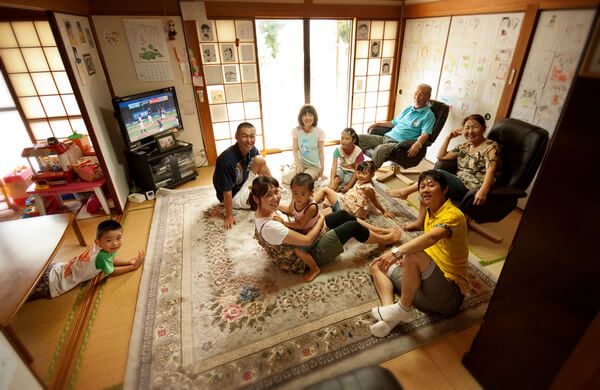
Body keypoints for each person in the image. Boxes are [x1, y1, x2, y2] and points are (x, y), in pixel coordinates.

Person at [369, 170, 469, 337]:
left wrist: (397, 253)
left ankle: (402, 308)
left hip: (449, 295)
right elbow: (429, 245)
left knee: (411, 254)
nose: (425, 190)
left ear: (444, 190)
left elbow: (431, 238)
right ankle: (390, 317)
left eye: (431, 185)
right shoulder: (431, 210)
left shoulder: (454, 215)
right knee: (377, 265)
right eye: (422, 186)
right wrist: (409, 267)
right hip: (424, 291)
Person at [250, 176, 402, 282]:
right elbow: (307, 240)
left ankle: (379, 231)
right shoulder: (272, 227)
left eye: (276, 191)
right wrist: (320, 220)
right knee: (352, 227)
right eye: (269, 195)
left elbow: (289, 210)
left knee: (342, 214)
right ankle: (386, 239)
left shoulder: (264, 211)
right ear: (257, 199)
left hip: (301, 238)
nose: (276, 198)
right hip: (303, 258)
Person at [389, 114, 501, 231]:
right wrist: (448, 137)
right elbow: (441, 156)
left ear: (483, 128)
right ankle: (420, 222)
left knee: (435, 175)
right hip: (459, 182)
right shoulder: (464, 146)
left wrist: (483, 191)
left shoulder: (490, 147)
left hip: (472, 188)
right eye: (467, 128)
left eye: (475, 127)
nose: (470, 131)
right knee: (429, 186)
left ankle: (405, 192)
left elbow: (491, 170)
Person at [29, 220, 145, 300]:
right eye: (109, 240)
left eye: (118, 238)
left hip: (56, 269)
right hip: (52, 283)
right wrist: (132, 268)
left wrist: (129, 261)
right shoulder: (102, 255)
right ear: (98, 242)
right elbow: (110, 272)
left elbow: (109, 261)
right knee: (25, 293)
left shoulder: (101, 248)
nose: (115, 243)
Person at [358, 83, 436, 168]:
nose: (417, 97)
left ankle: (368, 173)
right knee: (358, 138)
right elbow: (392, 123)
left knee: (380, 149)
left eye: (421, 95)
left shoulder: (428, 115)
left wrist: (418, 143)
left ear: (428, 97)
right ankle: (354, 166)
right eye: (416, 93)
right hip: (386, 137)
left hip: (398, 144)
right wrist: (376, 124)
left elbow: (425, 134)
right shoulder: (408, 109)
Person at [213, 122, 272, 229]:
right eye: (244, 136)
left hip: (243, 183)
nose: (249, 140)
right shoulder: (225, 160)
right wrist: (229, 215)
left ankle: (274, 188)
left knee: (260, 160)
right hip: (234, 196)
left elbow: (260, 166)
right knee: (264, 199)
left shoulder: (251, 149)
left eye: (252, 136)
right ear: (237, 137)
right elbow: (226, 191)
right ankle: (270, 196)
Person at [315, 161, 394, 220]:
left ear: (372, 175)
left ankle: (309, 205)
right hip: (347, 203)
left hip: (349, 209)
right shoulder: (360, 181)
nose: (360, 176)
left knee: (325, 190)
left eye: (364, 173)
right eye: (359, 173)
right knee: (323, 213)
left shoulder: (367, 188)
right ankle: (310, 219)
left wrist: (384, 211)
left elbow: (375, 200)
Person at [282, 104, 326, 185]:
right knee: (288, 180)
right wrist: (298, 164)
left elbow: (321, 152)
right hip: (301, 163)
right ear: (301, 117)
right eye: (304, 115)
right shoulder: (296, 130)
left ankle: (293, 169)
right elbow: (295, 149)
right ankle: (286, 168)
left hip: (314, 167)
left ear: (314, 117)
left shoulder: (319, 132)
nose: (307, 117)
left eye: (310, 115)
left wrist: (322, 169)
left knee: (303, 182)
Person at [328, 127, 364, 192]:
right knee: (336, 180)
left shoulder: (358, 152)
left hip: (351, 172)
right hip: (341, 169)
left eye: (347, 139)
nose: (343, 141)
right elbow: (334, 167)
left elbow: (357, 171)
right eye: (342, 138)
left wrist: (349, 186)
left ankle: (336, 191)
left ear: (354, 140)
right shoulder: (337, 150)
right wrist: (332, 181)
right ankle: (328, 194)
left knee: (346, 182)